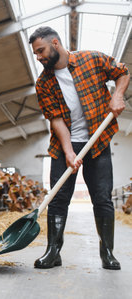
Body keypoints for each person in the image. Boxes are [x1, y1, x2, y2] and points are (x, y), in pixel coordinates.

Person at [29, 26, 130, 270]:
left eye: (41, 50)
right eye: (35, 53)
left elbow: (122, 71)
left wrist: (117, 95)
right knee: (58, 198)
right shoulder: (43, 82)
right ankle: (53, 252)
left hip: (98, 139)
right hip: (65, 143)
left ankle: (107, 253)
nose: (39, 57)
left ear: (55, 43)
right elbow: (55, 119)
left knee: (102, 198)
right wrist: (69, 151)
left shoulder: (91, 59)